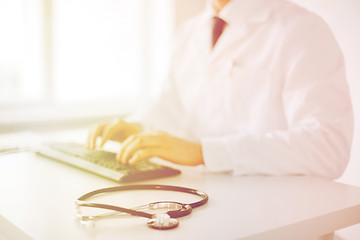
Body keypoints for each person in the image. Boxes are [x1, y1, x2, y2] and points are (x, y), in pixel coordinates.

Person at [86, 0, 353, 179]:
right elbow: (173, 107)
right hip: (204, 201)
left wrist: (205, 153)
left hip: (283, 220)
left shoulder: (301, 29)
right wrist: (139, 128)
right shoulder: (190, 30)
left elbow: (328, 147)